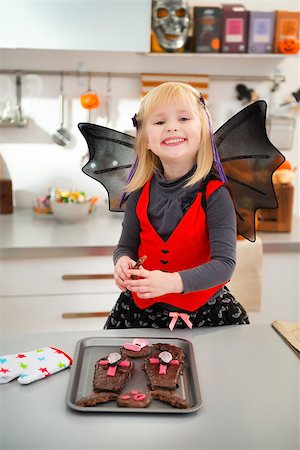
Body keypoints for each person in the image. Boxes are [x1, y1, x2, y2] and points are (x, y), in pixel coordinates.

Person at [104, 82, 249, 330]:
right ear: (146, 140)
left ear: (203, 131)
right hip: (142, 310)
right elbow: (126, 246)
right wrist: (122, 261)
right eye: (159, 122)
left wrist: (172, 282)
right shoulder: (138, 193)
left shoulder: (215, 196)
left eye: (183, 118)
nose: (171, 126)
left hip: (205, 313)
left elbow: (225, 266)